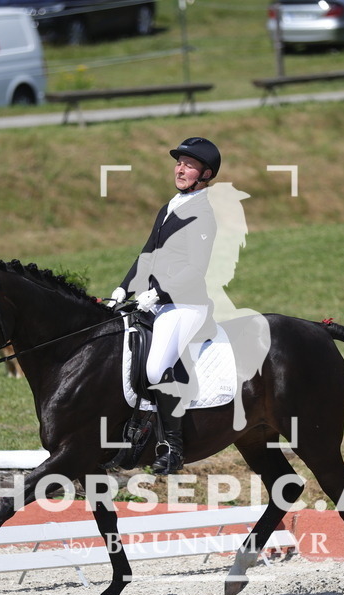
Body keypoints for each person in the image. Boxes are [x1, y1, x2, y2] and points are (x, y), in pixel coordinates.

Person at [108, 137, 222, 475]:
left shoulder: (203, 213)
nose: (180, 168)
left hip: (185, 305)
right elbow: (147, 254)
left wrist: (156, 293)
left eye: (189, 164)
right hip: (156, 300)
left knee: (157, 368)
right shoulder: (171, 206)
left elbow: (194, 269)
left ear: (206, 174)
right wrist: (121, 289)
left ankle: (173, 448)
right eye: (179, 162)